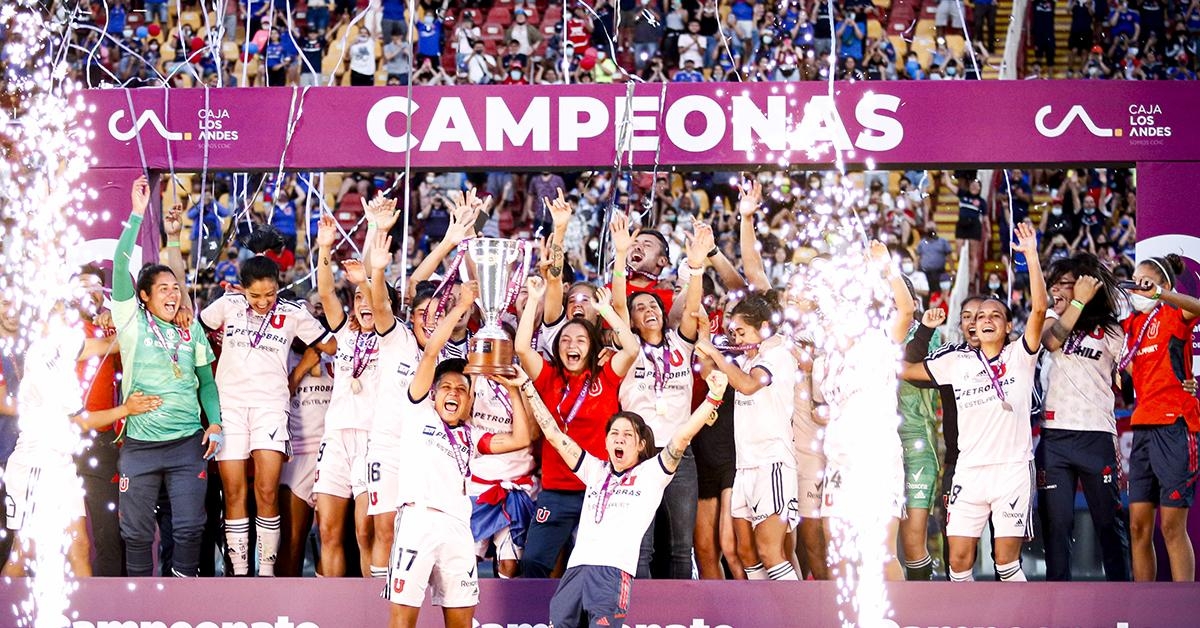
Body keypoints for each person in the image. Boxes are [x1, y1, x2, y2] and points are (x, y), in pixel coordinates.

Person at [512, 359, 727, 627]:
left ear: (641, 444)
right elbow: (554, 435)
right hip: (575, 573)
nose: (619, 438)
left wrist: (713, 398)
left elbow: (681, 438)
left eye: (627, 434)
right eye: (614, 433)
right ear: (606, 442)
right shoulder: (594, 469)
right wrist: (527, 386)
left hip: (612, 574)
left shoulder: (652, 474)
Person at [901, 222, 1047, 582]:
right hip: (968, 471)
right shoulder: (956, 360)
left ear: (1009, 327)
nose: (986, 319)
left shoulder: (1019, 356)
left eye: (995, 315)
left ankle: (1017, 614)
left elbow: (1039, 311)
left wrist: (1031, 256)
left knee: (1006, 563)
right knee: (958, 563)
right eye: (980, 316)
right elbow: (905, 369)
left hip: (1011, 470)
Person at [112, 176, 224, 577]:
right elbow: (119, 266)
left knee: (191, 529)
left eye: (175, 288)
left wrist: (215, 423)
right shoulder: (131, 322)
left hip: (186, 444)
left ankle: (184, 598)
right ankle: (140, 602)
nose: (173, 294)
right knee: (136, 534)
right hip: (140, 446)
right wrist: (137, 214)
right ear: (143, 296)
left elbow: (206, 382)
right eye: (163, 289)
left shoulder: (190, 328)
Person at [200, 233, 326, 577]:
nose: (263, 301)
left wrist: (304, 366)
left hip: (271, 406)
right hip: (230, 407)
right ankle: (241, 572)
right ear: (243, 289)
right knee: (233, 492)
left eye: (269, 294)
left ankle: (266, 573)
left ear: (278, 286)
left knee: (267, 490)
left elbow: (327, 345)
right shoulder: (227, 304)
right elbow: (196, 333)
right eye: (255, 295)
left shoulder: (293, 312)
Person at [2, 306, 160, 578]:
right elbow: (81, 422)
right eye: (58, 314)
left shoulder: (64, 346)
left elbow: (113, 344)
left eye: (66, 313)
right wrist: (126, 409)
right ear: (41, 322)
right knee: (26, 550)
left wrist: (138, 314)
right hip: (35, 464)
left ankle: (87, 606)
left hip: (61, 465)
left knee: (80, 547)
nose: (68, 319)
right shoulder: (42, 359)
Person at [385, 345, 532, 628]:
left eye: (462, 389)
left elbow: (521, 439)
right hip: (418, 521)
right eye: (446, 387)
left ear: (469, 400)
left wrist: (513, 390)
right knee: (402, 622)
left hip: (458, 528)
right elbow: (430, 354)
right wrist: (457, 314)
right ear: (433, 393)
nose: (454, 393)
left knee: (461, 622)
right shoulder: (419, 414)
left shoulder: (471, 435)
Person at [514, 276, 641, 578]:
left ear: (592, 346)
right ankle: (541, 610)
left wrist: (606, 311)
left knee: (596, 566)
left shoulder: (605, 376)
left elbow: (632, 349)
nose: (572, 345)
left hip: (598, 488)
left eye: (581, 341)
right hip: (555, 490)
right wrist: (534, 300)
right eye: (566, 340)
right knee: (533, 562)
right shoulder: (548, 377)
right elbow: (522, 348)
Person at [610, 212, 707, 579]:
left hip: (680, 453)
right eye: (640, 308)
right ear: (632, 322)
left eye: (653, 305)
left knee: (681, 548)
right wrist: (621, 255)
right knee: (642, 546)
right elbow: (618, 305)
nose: (647, 309)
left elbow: (692, 308)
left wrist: (695, 268)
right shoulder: (629, 349)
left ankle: (680, 609)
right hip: (640, 456)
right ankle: (639, 609)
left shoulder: (680, 344)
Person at [1037, 253, 1131, 581]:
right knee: (1057, 526)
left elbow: (1134, 378)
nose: (1055, 290)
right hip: (1054, 438)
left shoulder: (1112, 331)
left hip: (1097, 436)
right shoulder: (1050, 318)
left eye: (1064, 283)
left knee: (1108, 524)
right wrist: (1075, 302)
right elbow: (1051, 341)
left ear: (1086, 286)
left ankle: (1122, 597)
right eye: (1053, 284)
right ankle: (1056, 600)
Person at [695, 293, 799, 581]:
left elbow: (749, 385)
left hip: (772, 463)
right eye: (733, 334)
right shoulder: (743, 360)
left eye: (742, 332)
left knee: (769, 551)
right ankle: (763, 607)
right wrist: (704, 336)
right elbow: (709, 374)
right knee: (747, 553)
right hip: (745, 466)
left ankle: (796, 607)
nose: (737, 339)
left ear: (763, 328)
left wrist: (716, 353)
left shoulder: (778, 356)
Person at [311, 215, 382, 577]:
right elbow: (326, 293)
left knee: (365, 532)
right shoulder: (345, 333)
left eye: (369, 297)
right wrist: (324, 247)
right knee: (328, 530)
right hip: (336, 439)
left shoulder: (394, 337)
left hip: (373, 441)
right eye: (357, 297)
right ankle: (331, 603)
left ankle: (372, 602)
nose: (363, 303)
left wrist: (377, 233)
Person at [1123, 254, 1200, 582]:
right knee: (1138, 527)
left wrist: (1161, 295)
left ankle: (1184, 604)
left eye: (1145, 283)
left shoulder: (1172, 314)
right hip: (1142, 426)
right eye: (1135, 282)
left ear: (1163, 285)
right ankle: (1143, 604)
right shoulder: (1131, 325)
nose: (1137, 289)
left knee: (1171, 526)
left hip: (1175, 425)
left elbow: (1198, 307)